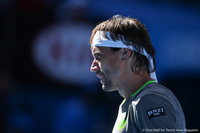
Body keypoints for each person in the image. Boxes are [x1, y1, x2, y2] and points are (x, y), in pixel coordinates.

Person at [89, 15, 186, 133]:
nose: (93, 67)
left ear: (124, 53)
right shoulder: (137, 101)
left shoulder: (149, 100)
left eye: (98, 57)